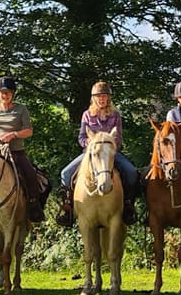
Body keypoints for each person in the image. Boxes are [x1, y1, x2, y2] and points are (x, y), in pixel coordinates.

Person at [57, 82, 140, 225]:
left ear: (108, 98)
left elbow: (118, 138)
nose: (101, 99)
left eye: (104, 96)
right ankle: (69, 209)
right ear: (93, 98)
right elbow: (82, 137)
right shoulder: (87, 115)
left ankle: (127, 205)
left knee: (131, 172)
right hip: (91, 154)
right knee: (66, 173)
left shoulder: (115, 115)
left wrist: (109, 145)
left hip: (109, 153)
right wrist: (88, 144)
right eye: (98, 96)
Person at [0, 77, 47, 223]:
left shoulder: (21, 109)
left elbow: (29, 131)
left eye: (8, 93)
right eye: (2, 93)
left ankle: (34, 206)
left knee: (30, 175)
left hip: (16, 151)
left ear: (13, 94)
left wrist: (14, 134)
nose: (5, 95)